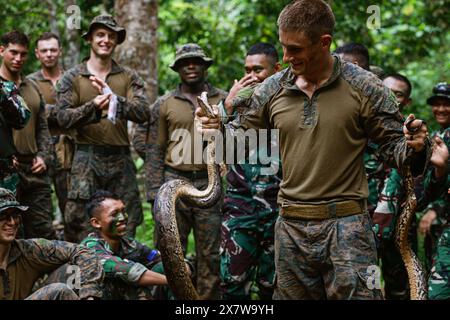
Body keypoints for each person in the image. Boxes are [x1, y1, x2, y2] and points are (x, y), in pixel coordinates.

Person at [196, 0, 430, 299]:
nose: (286, 57)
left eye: (294, 49)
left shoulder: (365, 87)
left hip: (347, 228)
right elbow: (237, 145)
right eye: (283, 46)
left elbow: (397, 151)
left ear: (324, 42)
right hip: (291, 227)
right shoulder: (272, 88)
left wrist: (415, 146)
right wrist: (214, 131)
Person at [132, 43, 227, 299]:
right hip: (175, 180)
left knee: (211, 253)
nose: (191, 66)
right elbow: (154, 147)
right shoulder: (165, 103)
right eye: (185, 63)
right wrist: (155, 192)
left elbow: (236, 140)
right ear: (178, 69)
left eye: (196, 61)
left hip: (210, 181)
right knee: (171, 250)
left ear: (205, 66)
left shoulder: (223, 99)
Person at [56, 15, 150, 242]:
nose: (105, 40)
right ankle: (88, 271)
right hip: (86, 156)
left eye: (111, 36)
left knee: (126, 219)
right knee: (81, 220)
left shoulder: (128, 77)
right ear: (89, 39)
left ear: (117, 41)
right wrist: (93, 107)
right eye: (100, 35)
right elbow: (62, 118)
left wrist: (115, 100)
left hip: (120, 155)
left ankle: (124, 273)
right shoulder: (72, 77)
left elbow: (143, 112)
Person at [218, 43, 282, 300]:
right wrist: (229, 105)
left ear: (277, 69)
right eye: (247, 69)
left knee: (274, 286)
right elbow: (212, 150)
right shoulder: (235, 106)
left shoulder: (290, 103)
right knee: (232, 284)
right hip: (239, 211)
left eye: (258, 69)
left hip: (279, 211)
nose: (252, 76)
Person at [0, 187, 104, 300]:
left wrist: (89, 293)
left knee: (72, 268)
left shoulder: (28, 249)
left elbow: (82, 251)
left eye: (15, 215)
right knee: (58, 290)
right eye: (3, 216)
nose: (12, 222)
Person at [0, 30, 55, 239]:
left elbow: (42, 127)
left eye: (23, 54)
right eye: (13, 53)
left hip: (34, 169)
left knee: (43, 232)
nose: (18, 59)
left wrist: (44, 156)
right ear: (1, 50)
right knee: (10, 233)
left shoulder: (31, 86)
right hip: (5, 170)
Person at [80, 190, 171, 300]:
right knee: (130, 283)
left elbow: (161, 258)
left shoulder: (129, 244)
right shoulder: (89, 248)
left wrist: (184, 268)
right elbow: (128, 271)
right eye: (114, 214)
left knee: (165, 267)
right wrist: (174, 281)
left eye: (123, 211)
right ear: (96, 223)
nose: (122, 218)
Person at [28, 32, 73, 229]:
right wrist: (63, 113)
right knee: (39, 210)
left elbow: (82, 110)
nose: (49, 54)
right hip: (40, 150)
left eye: (53, 50)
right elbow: (29, 115)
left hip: (70, 149)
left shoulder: (72, 79)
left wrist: (47, 110)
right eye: (44, 50)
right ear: (37, 54)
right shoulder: (29, 82)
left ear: (60, 52)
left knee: (72, 209)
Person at [426, 82, 450, 299]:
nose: (441, 109)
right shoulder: (437, 137)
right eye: (437, 104)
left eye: (446, 104)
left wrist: (435, 207)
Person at [0, 78, 30, 193]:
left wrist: (3, 95)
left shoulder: (7, 88)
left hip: (5, 174)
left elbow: (23, 119)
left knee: (8, 210)